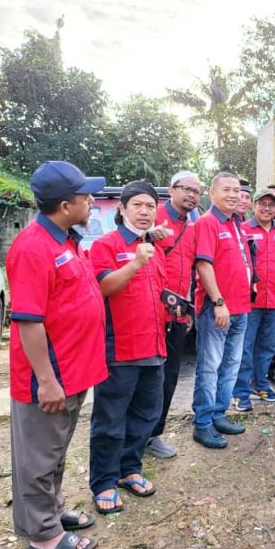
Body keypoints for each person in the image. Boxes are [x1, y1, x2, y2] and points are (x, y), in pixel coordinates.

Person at [6, 161, 105, 549]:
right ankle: (42, 535)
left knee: (55, 450)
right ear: (65, 205)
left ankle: (51, 512)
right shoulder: (33, 247)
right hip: (50, 376)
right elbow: (28, 322)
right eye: (85, 196)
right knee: (39, 455)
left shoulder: (66, 240)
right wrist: (46, 380)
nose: (91, 201)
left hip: (73, 370)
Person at [89, 180, 167, 514]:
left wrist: (176, 310)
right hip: (119, 350)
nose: (145, 211)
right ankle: (104, 482)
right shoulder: (106, 245)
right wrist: (134, 263)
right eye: (137, 205)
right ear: (122, 209)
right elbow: (103, 287)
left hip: (154, 346)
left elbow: (158, 294)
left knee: (146, 414)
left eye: (150, 206)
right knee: (110, 419)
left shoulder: (155, 247)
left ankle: (129, 469)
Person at [192, 172, 253, 448]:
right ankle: (202, 423)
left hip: (241, 308)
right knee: (210, 367)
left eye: (237, 190)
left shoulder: (236, 223)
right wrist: (218, 302)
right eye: (226, 189)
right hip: (218, 309)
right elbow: (204, 265)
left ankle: (219, 414)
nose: (233, 194)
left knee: (230, 366)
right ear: (212, 193)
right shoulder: (208, 223)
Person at [144, 170, 202, 460]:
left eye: (196, 191)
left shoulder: (193, 226)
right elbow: (124, 236)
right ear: (171, 189)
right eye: (186, 189)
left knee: (169, 377)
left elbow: (193, 270)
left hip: (179, 314)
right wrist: (146, 234)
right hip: (148, 313)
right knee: (146, 376)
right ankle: (135, 436)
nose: (191, 195)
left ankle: (155, 434)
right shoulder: (152, 219)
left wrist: (190, 309)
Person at [233, 189, 275, 410]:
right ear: (254, 206)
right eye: (262, 204)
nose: (267, 208)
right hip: (249, 301)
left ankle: (261, 385)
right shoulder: (243, 230)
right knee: (246, 347)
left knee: (267, 348)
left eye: (271, 205)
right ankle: (241, 392)